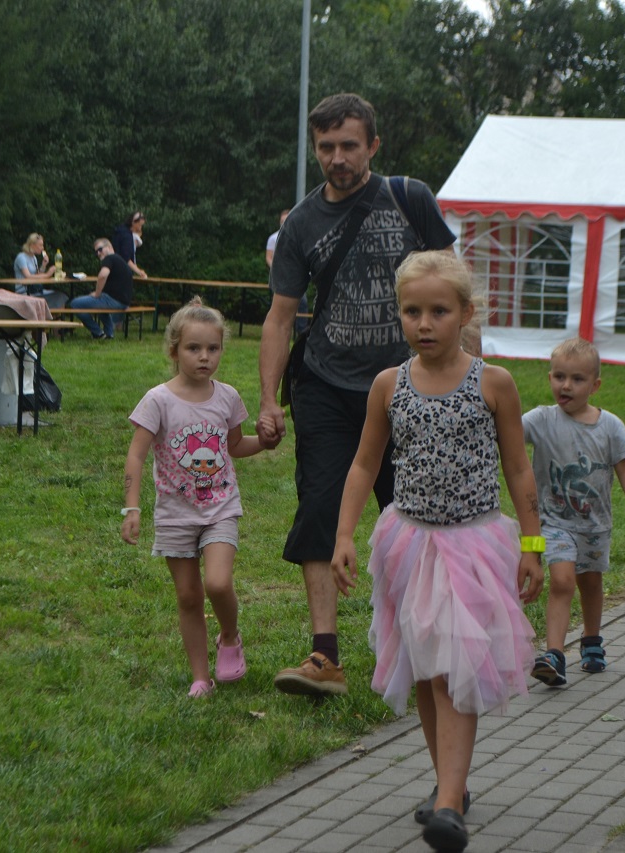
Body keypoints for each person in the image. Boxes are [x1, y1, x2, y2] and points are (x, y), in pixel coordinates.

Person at [331, 252, 543, 853]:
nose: (424, 324)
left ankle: (449, 802)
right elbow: (365, 463)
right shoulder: (389, 385)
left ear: (466, 313)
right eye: (412, 311)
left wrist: (533, 546)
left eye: (439, 312)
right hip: (410, 544)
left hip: (473, 546)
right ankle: (450, 784)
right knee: (427, 671)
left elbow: (518, 468)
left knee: (453, 670)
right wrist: (344, 535)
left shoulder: (493, 383)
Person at [256, 92, 456, 697]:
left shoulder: (410, 198)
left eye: (349, 145)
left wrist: (462, 380)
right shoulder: (300, 224)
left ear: (373, 145)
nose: (337, 158)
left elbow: (454, 290)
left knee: (416, 514)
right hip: (325, 385)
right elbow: (280, 318)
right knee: (319, 507)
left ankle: (426, 645)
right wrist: (268, 400)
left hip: (408, 388)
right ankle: (325, 657)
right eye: (326, 147)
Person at [121, 298, 276, 697]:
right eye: (193, 348)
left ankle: (230, 636)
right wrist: (132, 507)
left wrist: (266, 442)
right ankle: (200, 678)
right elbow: (136, 455)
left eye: (213, 348)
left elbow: (234, 446)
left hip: (220, 507)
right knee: (188, 596)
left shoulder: (227, 398)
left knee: (218, 584)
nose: (204, 357)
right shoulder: (158, 400)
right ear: (174, 351)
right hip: (175, 514)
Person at [523, 338, 625, 685]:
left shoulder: (609, 426)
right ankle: (554, 655)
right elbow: (507, 431)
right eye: (559, 377)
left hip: (595, 526)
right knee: (562, 581)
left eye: (577, 379)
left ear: (595, 385)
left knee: (591, 582)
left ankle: (592, 640)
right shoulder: (541, 420)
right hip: (553, 522)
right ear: (550, 377)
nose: (566, 386)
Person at [70, 238, 133, 340]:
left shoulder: (109, 258)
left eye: (100, 249)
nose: (98, 253)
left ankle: (97, 332)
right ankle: (109, 334)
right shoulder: (120, 260)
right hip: (124, 302)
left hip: (114, 301)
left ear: (109, 247)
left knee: (75, 303)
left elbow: (102, 275)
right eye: (96, 252)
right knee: (100, 304)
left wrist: (97, 294)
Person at [266, 209, 311, 337]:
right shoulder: (273, 238)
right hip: (279, 278)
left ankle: (301, 332)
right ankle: (278, 333)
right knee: (280, 307)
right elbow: (268, 257)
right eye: (282, 220)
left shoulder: (299, 238)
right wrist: (279, 269)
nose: (284, 223)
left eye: (286, 220)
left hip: (296, 278)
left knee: (302, 303)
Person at [12, 233, 67, 311]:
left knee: (60, 296)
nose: (42, 248)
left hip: (35, 290)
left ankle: (55, 317)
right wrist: (48, 274)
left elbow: (37, 275)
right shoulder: (21, 257)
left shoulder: (33, 257)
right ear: (32, 245)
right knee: (58, 297)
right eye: (40, 245)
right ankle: (52, 317)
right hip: (24, 292)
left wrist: (43, 265)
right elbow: (28, 276)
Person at [112, 211, 147, 277]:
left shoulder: (120, 231)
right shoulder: (127, 236)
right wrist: (139, 272)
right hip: (122, 273)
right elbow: (126, 258)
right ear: (133, 222)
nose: (140, 228)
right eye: (140, 225)